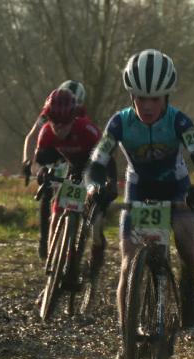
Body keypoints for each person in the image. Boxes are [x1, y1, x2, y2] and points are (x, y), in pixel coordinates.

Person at [85, 49, 194, 359]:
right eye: (140, 97)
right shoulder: (120, 122)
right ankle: (124, 342)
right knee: (128, 265)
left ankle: (187, 283)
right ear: (132, 95)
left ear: (166, 97)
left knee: (189, 246)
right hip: (139, 189)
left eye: (154, 99)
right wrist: (93, 188)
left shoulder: (180, 121)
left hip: (176, 188)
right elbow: (97, 160)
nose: (147, 105)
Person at [35, 88, 117, 314]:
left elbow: (108, 159)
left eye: (64, 122)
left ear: (74, 118)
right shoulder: (46, 132)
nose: (59, 128)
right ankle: (53, 271)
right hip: (72, 170)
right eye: (54, 122)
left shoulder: (87, 130)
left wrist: (111, 184)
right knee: (56, 215)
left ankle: (94, 271)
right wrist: (44, 171)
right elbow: (42, 158)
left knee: (96, 225)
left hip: (95, 169)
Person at [22, 80, 87, 259]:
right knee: (48, 190)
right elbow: (32, 135)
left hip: (73, 150)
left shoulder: (79, 114)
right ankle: (45, 241)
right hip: (52, 149)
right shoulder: (48, 112)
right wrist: (27, 161)